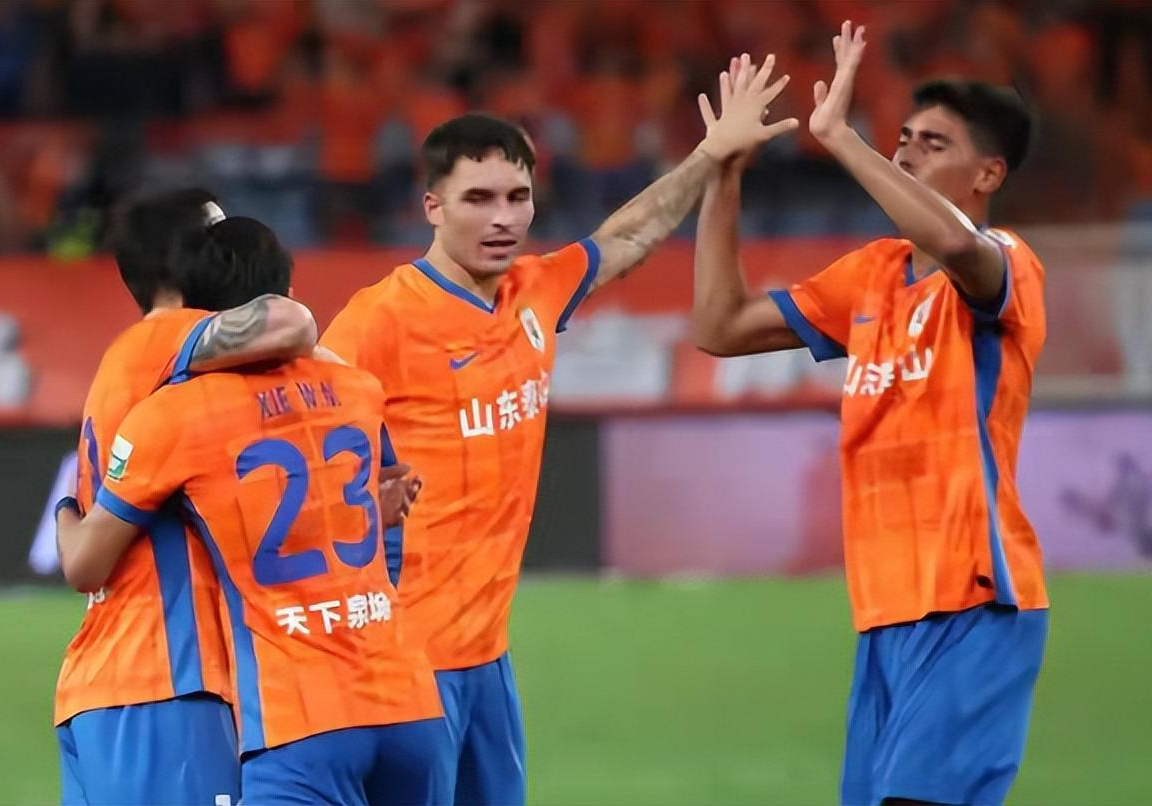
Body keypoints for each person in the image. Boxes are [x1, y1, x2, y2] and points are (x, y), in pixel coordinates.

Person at [321, 57, 797, 804]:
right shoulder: (378, 321)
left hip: (486, 653)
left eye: (517, 197)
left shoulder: (535, 289)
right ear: (432, 207)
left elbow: (629, 236)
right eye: (478, 198)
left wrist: (709, 155)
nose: (503, 217)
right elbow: (301, 429)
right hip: (405, 655)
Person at [691, 24, 1048, 805]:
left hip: (974, 601)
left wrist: (841, 140)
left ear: (988, 173)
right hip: (884, 611)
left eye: (933, 144)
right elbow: (719, 325)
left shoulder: (1005, 264)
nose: (906, 153)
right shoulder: (872, 276)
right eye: (904, 139)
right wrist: (724, 175)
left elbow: (957, 245)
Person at [56, 216, 444, 805]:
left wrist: (66, 506)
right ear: (285, 288)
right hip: (407, 697)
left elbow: (86, 562)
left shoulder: (177, 415)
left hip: (297, 717)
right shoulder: (358, 389)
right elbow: (368, 497)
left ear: (199, 313)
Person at [54, 190, 316, 805]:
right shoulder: (171, 339)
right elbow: (293, 323)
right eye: (217, 236)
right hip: (169, 679)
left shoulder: (130, 361)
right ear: (183, 260)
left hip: (102, 686)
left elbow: (85, 542)